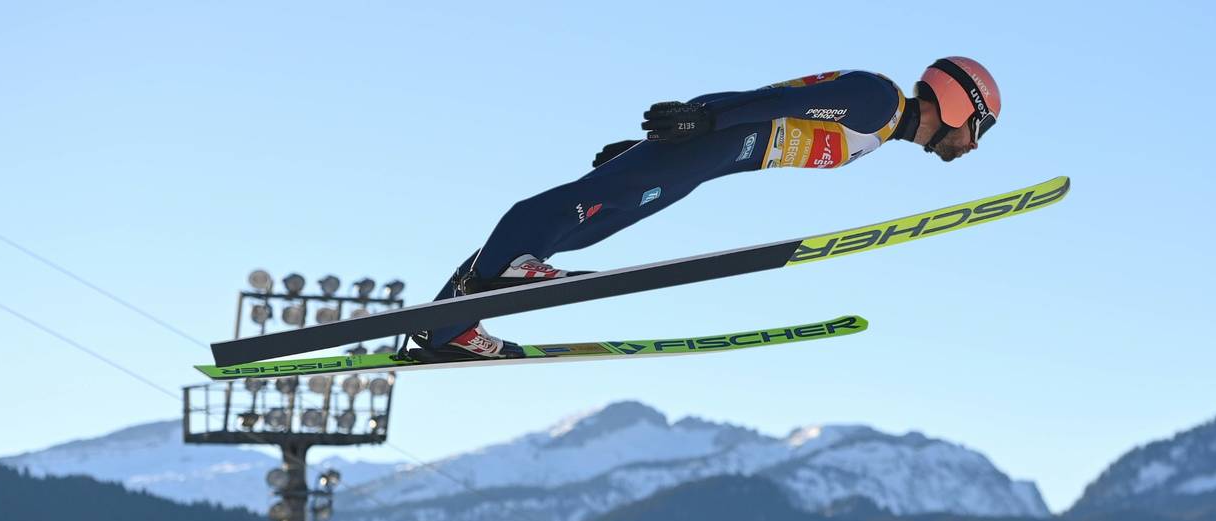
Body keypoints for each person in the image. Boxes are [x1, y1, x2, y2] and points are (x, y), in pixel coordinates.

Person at [406, 56, 1001, 360]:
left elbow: (778, 113)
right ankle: (492, 283)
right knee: (573, 211)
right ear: (959, 103)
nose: (973, 144)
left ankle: (447, 325)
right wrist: (702, 122)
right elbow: (774, 102)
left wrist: (661, 145)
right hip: (712, 142)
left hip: (711, 156)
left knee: (584, 224)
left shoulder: (882, 125)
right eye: (979, 127)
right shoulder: (878, 101)